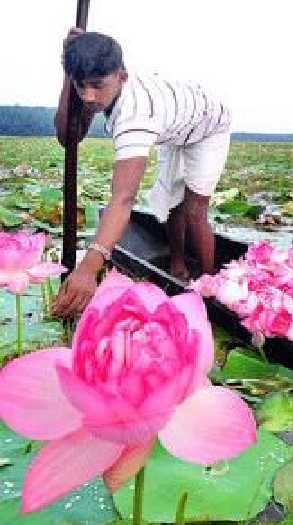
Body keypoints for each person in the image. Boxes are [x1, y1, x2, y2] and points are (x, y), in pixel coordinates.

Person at [52, 28, 231, 317]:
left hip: (209, 125)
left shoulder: (135, 117)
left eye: (97, 85)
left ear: (122, 76)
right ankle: (178, 263)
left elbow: (123, 198)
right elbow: (68, 136)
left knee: (195, 208)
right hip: (172, 126)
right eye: (80, 85)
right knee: (172, 201)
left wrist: (89, 267)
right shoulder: (95, 90)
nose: (87, 96)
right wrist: (68, 70)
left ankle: (210, 288)